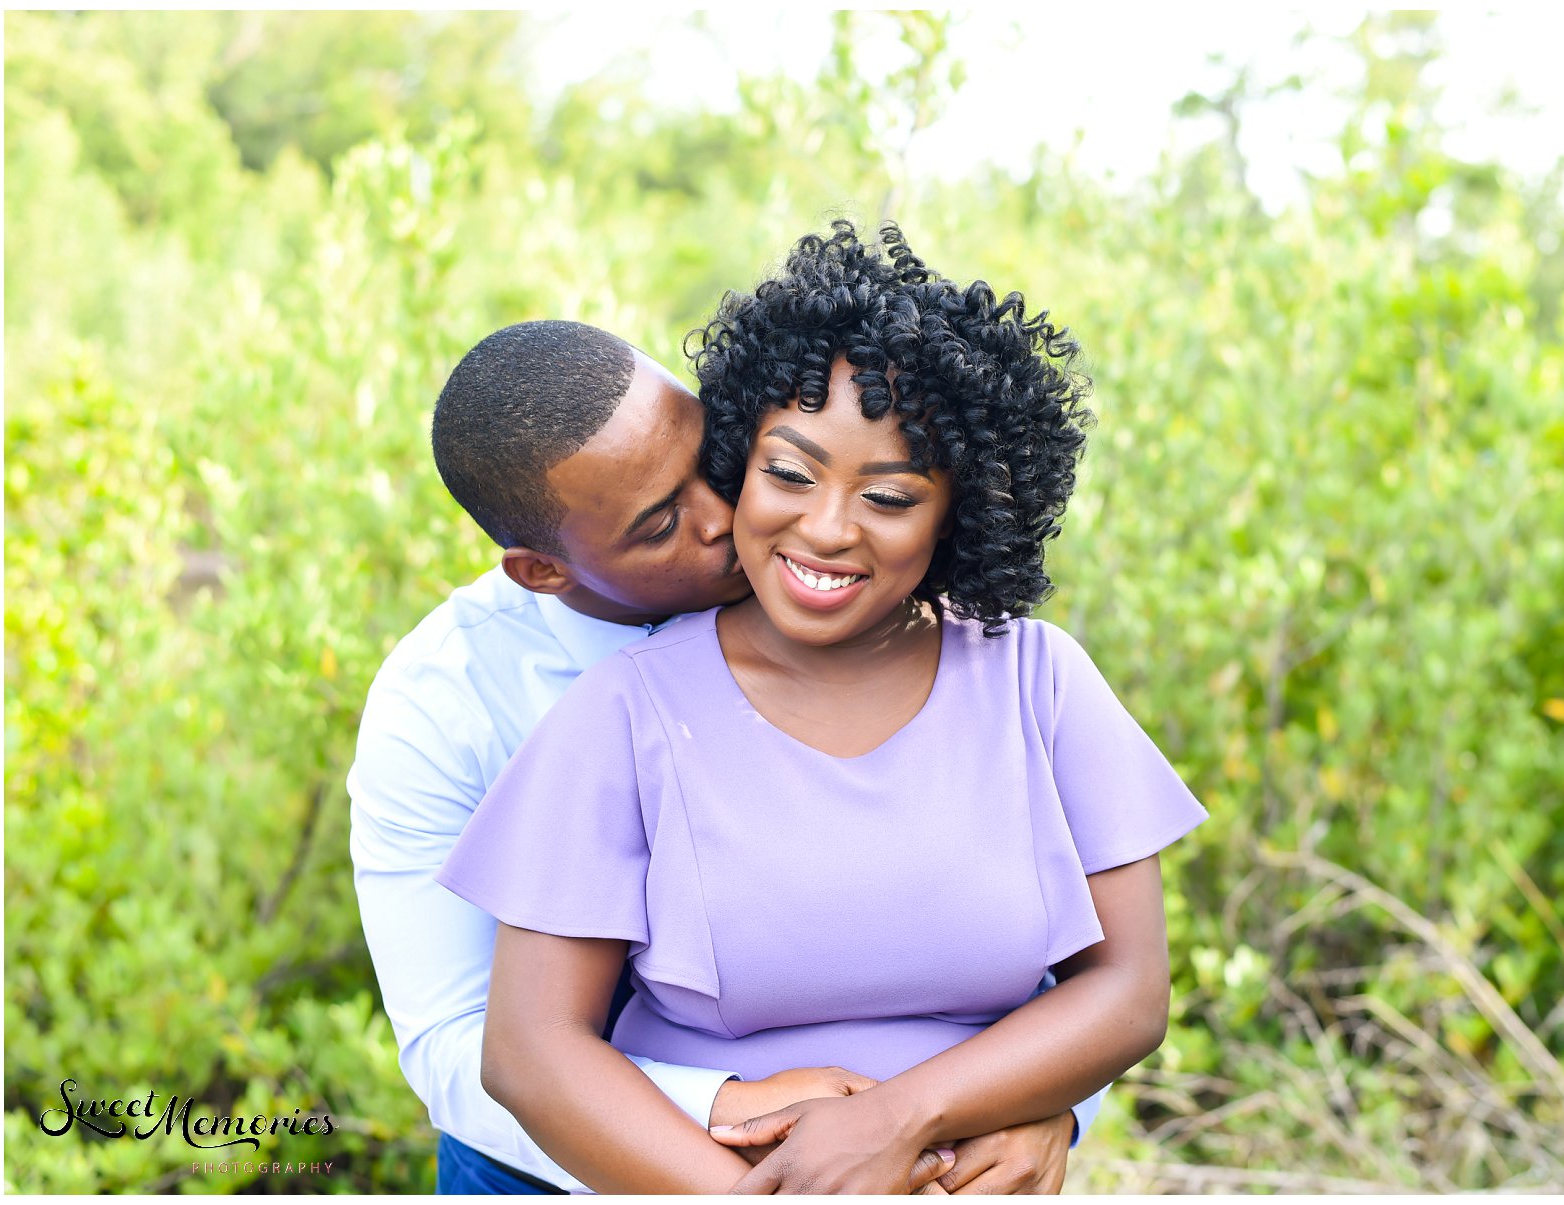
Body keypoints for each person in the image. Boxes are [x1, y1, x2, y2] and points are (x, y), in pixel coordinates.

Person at [437, 221, 1207, 1194]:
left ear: (955, 511)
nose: (829, 528)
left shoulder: (1037, 681)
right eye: (790, 474)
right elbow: (529, 1051)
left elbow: (1129, 991)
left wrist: (896, 1123)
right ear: (739, 465)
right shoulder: (624, 710)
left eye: (888, 496)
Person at [348, 319, 1098, 1193]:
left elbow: (1028, 910)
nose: (724, 516)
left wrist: (1050, 1102)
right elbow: (460, 1042)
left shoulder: (846, 586)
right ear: (544, 571)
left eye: (716, 464)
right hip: (554, 1170)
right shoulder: (443, 706)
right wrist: (734, 1109)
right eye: (663, 523)